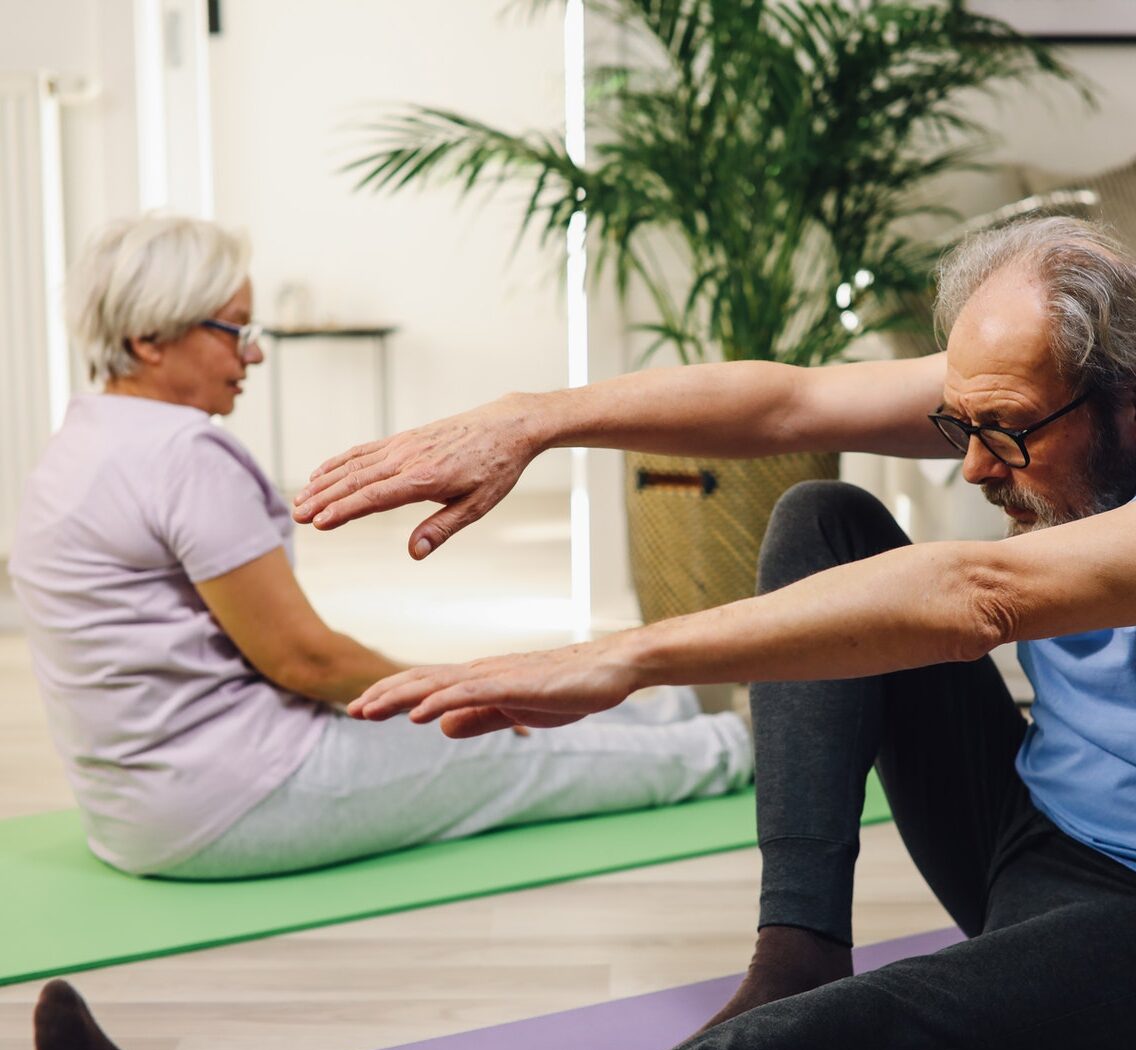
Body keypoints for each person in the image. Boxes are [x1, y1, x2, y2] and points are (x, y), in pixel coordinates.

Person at [285, 216, 1136, 1050]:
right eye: (960, 427)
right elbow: (786, 407)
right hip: (1027, 831)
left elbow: (979, 592)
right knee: (821, 520)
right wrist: (533, 417)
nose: (972, 465)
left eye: (1003, 434)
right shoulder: (1050, 399)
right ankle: (797, 948)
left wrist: (624, 655)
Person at [8, 214, 753, 887]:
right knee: (497, 746)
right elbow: (306, 661)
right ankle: (744, 748)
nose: (255, 352)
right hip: (228, 801)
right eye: (234, 330)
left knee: (498, 710)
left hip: (134, 811)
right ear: (149, 338)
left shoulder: (79, 443)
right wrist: (458, 691)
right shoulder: (183, 456)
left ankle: (677, 710)